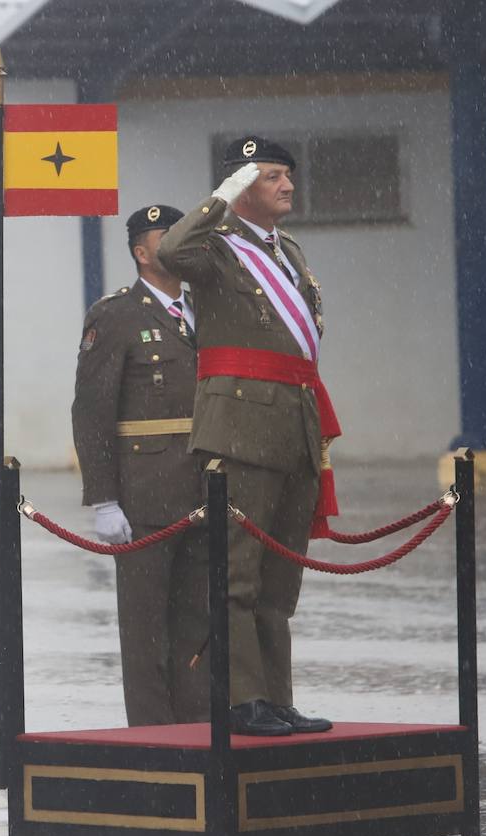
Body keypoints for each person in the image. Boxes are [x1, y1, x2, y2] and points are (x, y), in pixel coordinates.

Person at [157, 138, 339, 737]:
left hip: (294, 425)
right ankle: (243, 701)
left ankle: (276, 699)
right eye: (272, 176)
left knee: (279, 582)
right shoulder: (216, 247)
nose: (288, 185)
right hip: (240, 429)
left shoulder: (287, 249)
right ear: (241, 185)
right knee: (237, 576)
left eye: (288, 175)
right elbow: (172, 249)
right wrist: (224, 195)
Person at [72, 204, 210, 726]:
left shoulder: (204, 308)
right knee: (146, 627)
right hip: (145, 496)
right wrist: (104, 499)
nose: (177, 243)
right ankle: (154, 737)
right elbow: (92, 410)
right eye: (165, 236)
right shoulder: (117, 315)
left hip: (205, 489)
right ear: (141, 252)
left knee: (198, 621)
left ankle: (197, 730)